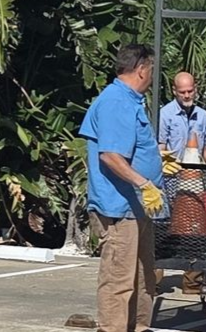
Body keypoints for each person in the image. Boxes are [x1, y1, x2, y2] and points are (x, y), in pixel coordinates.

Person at [79, 44, 181, 332]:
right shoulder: (116, 102)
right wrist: (144, 182)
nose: (151, 77)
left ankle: (138, 327)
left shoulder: (129, 100)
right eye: (151, 70)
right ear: (142, 69)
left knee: (143, 277)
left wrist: (155, 158)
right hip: (119, 209)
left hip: (137, 208)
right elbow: (110, 155)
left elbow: (128, 147)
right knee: (119, 279)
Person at [157, 71, 206, 164]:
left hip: (195, 175)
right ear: (174, 91)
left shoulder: (202, 115)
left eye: (190, 91)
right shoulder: (165, 114)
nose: (187, 96)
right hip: (172, 175)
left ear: (195, 89)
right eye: (182, 92)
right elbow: (161, 147)